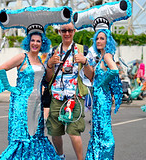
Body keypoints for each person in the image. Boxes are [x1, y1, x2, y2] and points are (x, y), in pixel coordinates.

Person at [0, 6, 72, 159]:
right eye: (33, 40)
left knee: (36, 135)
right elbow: (2, 68)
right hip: (22, 102)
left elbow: (46, 80)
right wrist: (10, 87)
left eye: (38, 41)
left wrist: (50, 66)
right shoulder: (22, 57)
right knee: (23, 135)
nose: (35, 43)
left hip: (37, 103)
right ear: (28, 42)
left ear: (43, 42)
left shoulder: (41, 60)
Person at [72, 0, 131, 159]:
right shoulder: (100, 57)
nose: (98, 41)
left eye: (102, 39)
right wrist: (86, 63)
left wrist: (101, 83)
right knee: (97, 130)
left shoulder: (106, 55)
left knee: (104, 133)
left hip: (102, 99)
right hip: (98, 99)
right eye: (97, 39)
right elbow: (92, 76)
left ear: (107, 40)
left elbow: (114, 71)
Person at [45, 22, 95, 160]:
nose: (67, 33)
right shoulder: (53, 51)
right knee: (55, 131)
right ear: (59, 32)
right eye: (64, 30)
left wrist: (85, 62)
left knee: (74, 132)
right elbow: (49, 78)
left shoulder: (83, 50)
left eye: (70, 30)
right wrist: (50, 64)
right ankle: (60, 156)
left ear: (74, 31)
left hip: (75, 97)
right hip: (57, 96)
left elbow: (91, 76)